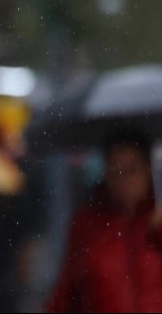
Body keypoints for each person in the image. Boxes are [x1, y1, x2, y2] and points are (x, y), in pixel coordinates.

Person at [45, 129, 162, 312]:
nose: (125, 181)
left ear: (148, 169)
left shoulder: (157, 217)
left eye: (132, 170)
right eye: (116, 172)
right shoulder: (89, 223)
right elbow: (68, 289)